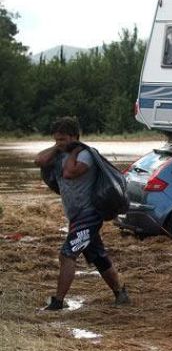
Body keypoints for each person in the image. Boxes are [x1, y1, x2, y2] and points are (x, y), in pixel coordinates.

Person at [34, 116, 129, 310]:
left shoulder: (85, 155)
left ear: (75, 137)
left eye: (63, 139)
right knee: (98, 257)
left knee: (67, 254)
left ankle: (58, 302)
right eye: (56, 139)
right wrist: (57, 147)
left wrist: (74, 150)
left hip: (90, 215)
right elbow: (39, 160)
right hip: (76, 217)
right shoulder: (59, 153)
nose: (59, 143)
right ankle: (120, 293)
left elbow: (70, 172)